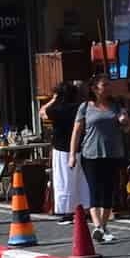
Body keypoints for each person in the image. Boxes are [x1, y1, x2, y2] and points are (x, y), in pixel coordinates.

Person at [69, 78, 126, 245]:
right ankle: (99, 227)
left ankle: (102, 227)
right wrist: (72, 154)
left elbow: (127, 128)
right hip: (90, 154)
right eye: (104, 85)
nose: (108, 88)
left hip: (112, 153)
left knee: (108, 191)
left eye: (109, 85)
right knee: (95, 190)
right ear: (95, 88)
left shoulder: (116, 106)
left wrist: (125, 122)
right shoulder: (85, 107)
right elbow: (76, 132)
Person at [43, 79, 86, 222]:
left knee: (64, 180)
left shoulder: (57, 110)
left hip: (62, 149)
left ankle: (67, 211)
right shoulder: (79, 107)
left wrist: (53, 99)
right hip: (80, 147)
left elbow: (42, 112)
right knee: (81, 180)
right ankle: (83, 208)